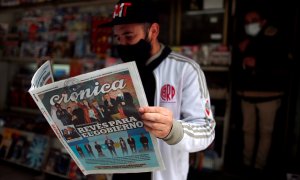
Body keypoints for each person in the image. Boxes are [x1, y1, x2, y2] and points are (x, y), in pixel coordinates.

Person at [99, 0, 215, 180]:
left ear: (153, 31)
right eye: (118, 38)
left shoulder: (185, 70)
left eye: (129, 36)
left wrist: (172, 130)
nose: (122, 44)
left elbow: (207, 131)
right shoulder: (113, 74)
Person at [232, 8, 288, 172]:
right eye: (247, 22)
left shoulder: (275, 37)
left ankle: (258, 167)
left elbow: (283, 65)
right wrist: (240, 54)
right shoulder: (243, 40)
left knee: (266, 132)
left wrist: (259, 64)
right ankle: (247, 164)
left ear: (263, 22)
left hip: (268, 95)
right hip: (246, 94)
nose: (250, 25)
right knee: (247, 130)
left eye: (254, 20)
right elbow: (235, 67)